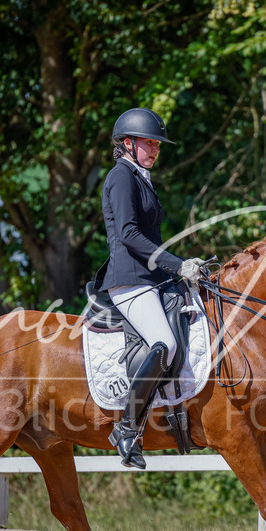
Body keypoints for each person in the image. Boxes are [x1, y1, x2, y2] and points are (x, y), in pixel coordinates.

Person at [95, 107, 204, 469]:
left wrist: (179, 271)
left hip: (151, 279)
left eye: (158, 144)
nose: (156, 149)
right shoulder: (121, 177)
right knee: (166, 343)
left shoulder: (141, 177)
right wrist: (177, 264)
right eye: (149, 143)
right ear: (127, 143)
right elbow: (128, 235)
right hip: (128, 280)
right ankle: (126, 428)